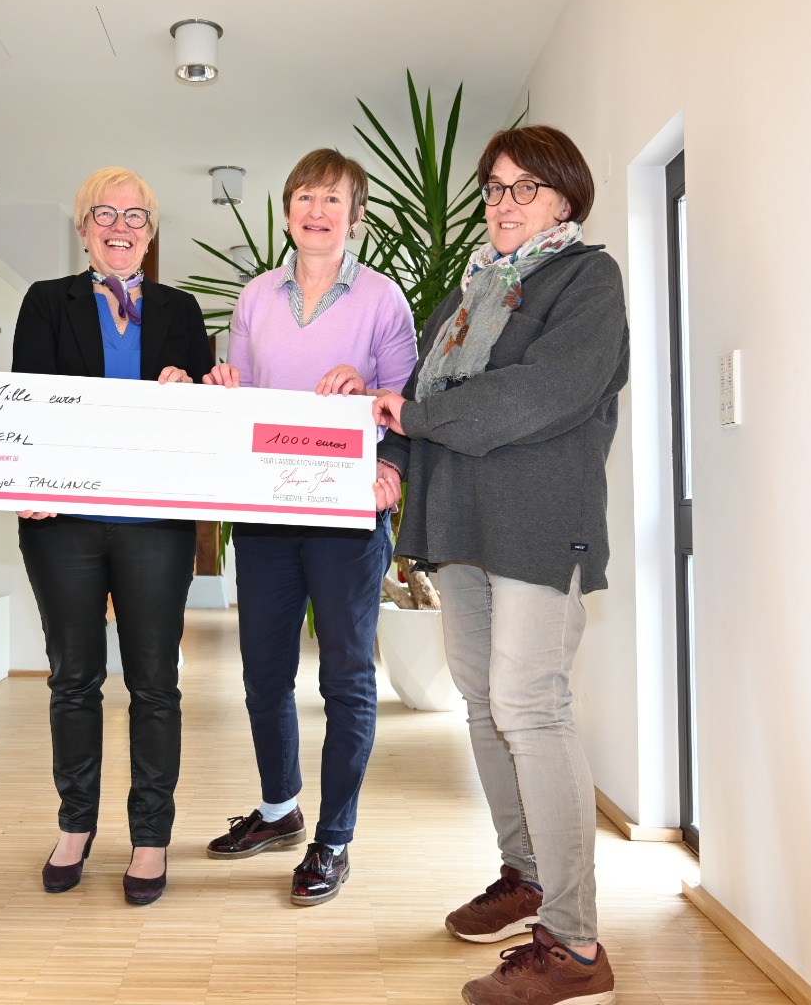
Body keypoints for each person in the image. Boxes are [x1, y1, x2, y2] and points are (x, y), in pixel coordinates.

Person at [372, 125, 628, 1005]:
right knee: (484, 705)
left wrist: (413, 419)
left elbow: (541, 393)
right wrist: (390, 448)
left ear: (564, 197)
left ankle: (576, 945)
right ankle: (526, 878)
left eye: (526, 188)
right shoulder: (470, 288)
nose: (504, 203)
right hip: (463, 523)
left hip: (538, 523)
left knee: (532, 707)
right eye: (494, 188)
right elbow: (417, 396)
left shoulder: (587, 279)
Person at [201, 148, 416, 905]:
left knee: (346, 678)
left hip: (346, 514)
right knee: (263, 671)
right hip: (265, 514)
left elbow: (405, 405)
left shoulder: (383, 299)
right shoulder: (255, 297)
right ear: (288, 210)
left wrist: (378, 421)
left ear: (355, 215)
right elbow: (242, 401)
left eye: (332, 199)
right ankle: (279, 810)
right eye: (304, 197)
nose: (316, 211)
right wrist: (223, 385)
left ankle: (334, 838)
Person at [12, 167, 214, 906]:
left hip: (155, 524)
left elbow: (207, 418)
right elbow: (28, 403)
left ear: (151, 234)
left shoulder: (182, 310)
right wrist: (23, 479)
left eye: (136, 216)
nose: (120, 227)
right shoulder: (46, 301)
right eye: (105, 213)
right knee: (73, 679)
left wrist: (193, 394)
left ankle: (151, 837)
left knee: (155, 683)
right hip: (62, 524)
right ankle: (75, 827)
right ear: (83, 228)